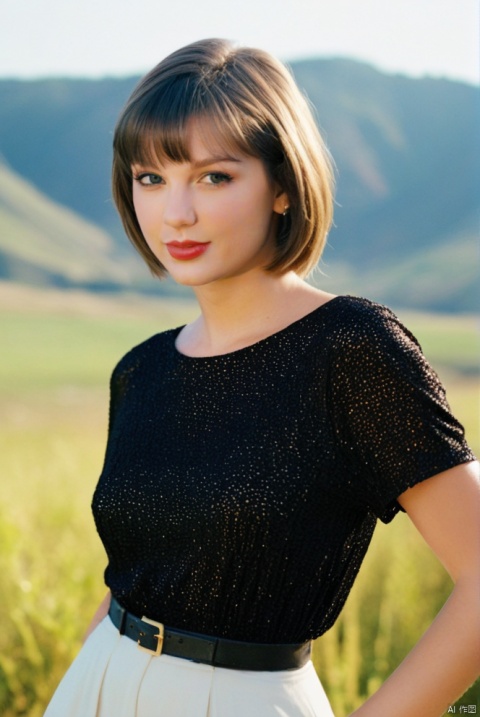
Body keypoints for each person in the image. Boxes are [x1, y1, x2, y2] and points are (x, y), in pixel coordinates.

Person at [44, 38, 479, 717]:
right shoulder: (142, 368)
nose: (175, 213)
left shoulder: (352, 348)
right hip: (96, 683)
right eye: (150, 177)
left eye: (214, 176)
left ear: (282, 185)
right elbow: (139, 571)